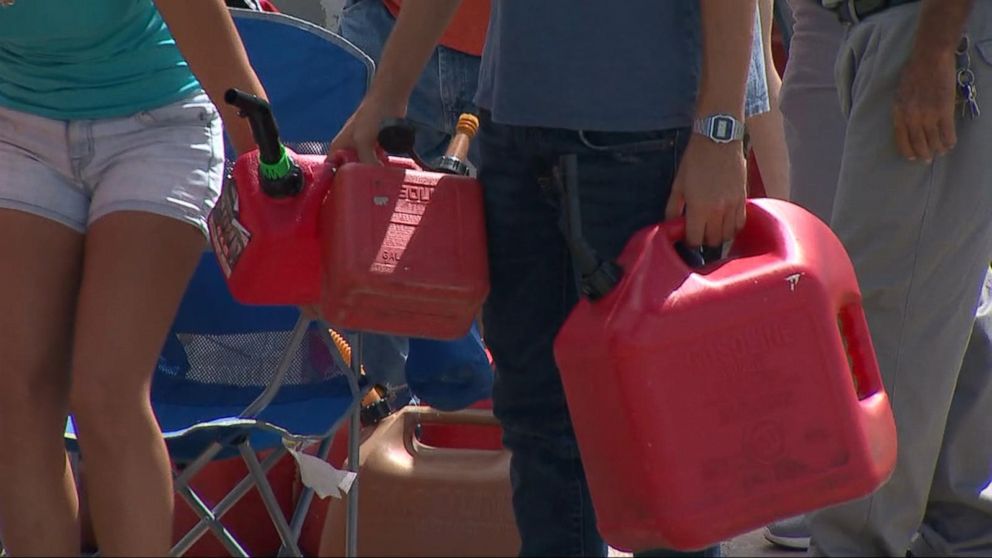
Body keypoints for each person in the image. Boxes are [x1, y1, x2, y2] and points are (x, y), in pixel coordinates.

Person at [330, 1, 758, 556]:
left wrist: (722, 132)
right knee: (536, 423)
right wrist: (386, 95)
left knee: (653, 430)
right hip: (514, 130)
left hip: (645, 138)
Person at [0, 1, 270, 555]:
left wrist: (274, 182)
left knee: (106, 389)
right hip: (17, 127)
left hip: (160, 127)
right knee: (16, 395)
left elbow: (217, 52)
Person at [801, 1, 992, 556]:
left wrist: (933, 50)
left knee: (881, 328)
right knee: (946, 312)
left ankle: (855, 546)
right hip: (912, 33)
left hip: (929, 32)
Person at [762, 1, 847, 549]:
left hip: (929, 27)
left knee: (933, 272)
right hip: (822, 21)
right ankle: (820, 478)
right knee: (820, 280)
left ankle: (957, 502)